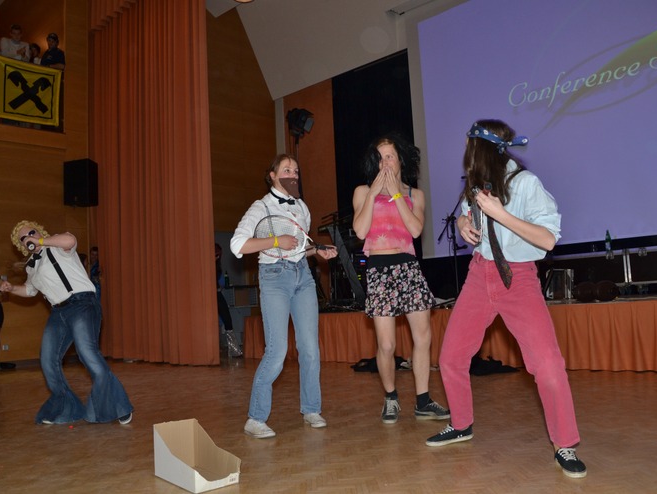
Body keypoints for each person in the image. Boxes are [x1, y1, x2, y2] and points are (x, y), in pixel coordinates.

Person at [425, 119, 586, 479]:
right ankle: (461, 424)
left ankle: (565, 444)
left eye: (468, 146)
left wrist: (501, 214)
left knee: (548, 365)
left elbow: (548, 239)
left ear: (479, 149)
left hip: (518, 278)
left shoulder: (526, 184)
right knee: (450, 357)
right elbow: (467, 216)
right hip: (479, 275)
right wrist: (463, 224)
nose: (464, 154)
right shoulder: (477, 185)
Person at [230, 154, 338, 438]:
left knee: (310, 348)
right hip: (274, 278)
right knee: (277, 352)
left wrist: (318, 251)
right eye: (287, 170)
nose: (293, 174)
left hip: (303, 276)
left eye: (296, 171)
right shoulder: (261, 207)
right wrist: (276, 240)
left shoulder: (302, 207)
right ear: (273, 175)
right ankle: (255, 419)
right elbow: (238, 244)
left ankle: (311, 409)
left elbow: (300, 247)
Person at [352, 133, 450, 425]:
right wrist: (374, 194)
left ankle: (423, 401)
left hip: (408, 267)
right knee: (386, 345)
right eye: (380, 157)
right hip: (379, 269)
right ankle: (391, 397)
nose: (385, 162)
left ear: (400, 160)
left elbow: (416, 230)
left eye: (390, 156)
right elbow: (360, 231)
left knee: (423, 337)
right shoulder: (362, 192)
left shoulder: (414, 195)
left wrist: (396, 194)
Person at [0, 220, 133, 425]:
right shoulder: (32, 266)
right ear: (21, 245)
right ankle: (66, 408)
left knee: (87, 353)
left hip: (82, 303)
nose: (28, 238)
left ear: (40, 232)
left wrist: (41, 241)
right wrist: (11, 289)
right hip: (58, 312)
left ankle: (116, 407)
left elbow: (70, 240)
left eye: (31, 233)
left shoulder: (57, 245)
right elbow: (30, 290)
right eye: (23, 238)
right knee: (47, 359)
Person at [215, 243, 241, 357]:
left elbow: (219, 282)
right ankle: (217, 348)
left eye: (218, 255)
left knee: (227, 319)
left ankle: (234, 349)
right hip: (210, 294)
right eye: (216, 254)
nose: (217, 257)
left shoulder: (217, 266)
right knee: (215, 320)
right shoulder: (207, 265)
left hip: (217, 293)